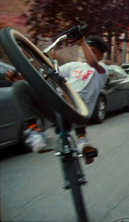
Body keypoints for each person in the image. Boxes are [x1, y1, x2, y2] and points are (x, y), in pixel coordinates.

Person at [6, 34, 109, 164]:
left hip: (78, 113)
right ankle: (34, 131)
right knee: (20, 87)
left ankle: (82, 140)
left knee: (75, 97)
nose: (87, 54)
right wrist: (20, 77)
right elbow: (44, 79)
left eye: (93, 51)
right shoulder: (73, 66)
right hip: (57, 108)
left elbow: (92, 62)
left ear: (102, 55)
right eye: (86, 50)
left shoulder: (102, 70)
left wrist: (82, 40)